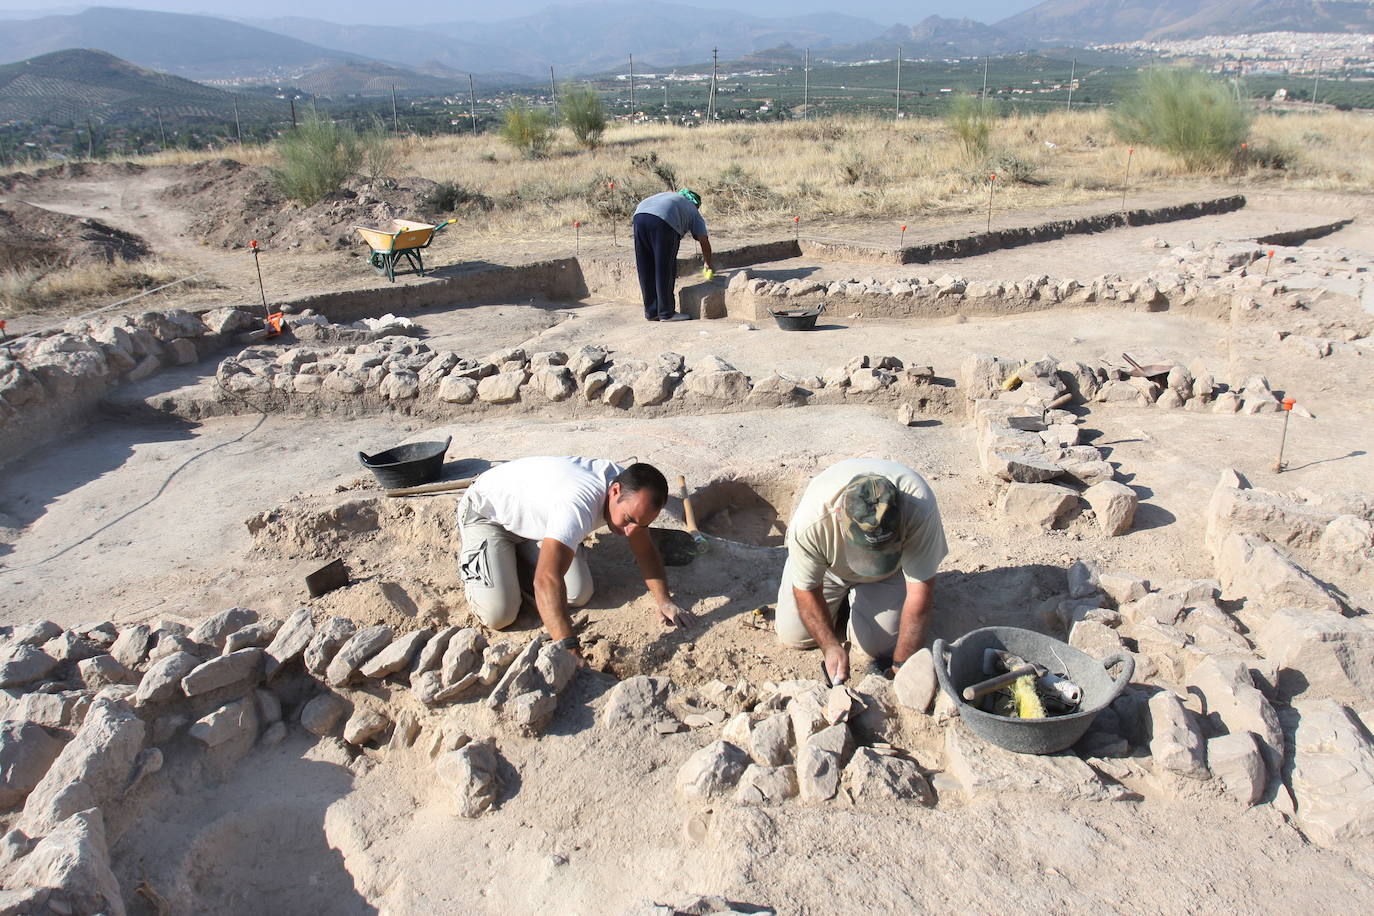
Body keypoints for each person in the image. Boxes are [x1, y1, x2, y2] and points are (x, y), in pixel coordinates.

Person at [457, 457, 694, 650]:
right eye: (629, 520)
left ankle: (512, 561)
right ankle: (489, 564)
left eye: (640, 525)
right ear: (614, 491)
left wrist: (665, 601)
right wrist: (569, 647)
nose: (630, 531)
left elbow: (645, 550)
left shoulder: (632, 492)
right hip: (488, 516)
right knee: (500, 614)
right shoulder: (578, 505)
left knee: (578, 593)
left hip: (538, 523)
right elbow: (546, 579)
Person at [775, 458, 948, 685]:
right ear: (839, 515)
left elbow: (920, 595)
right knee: (794, 635)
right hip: (829, 570)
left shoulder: (919, 508)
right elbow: (806, 590)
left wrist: (900, 666)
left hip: (887, 572)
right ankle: (841, 604)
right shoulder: (812, 521)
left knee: (879, 648)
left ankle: (858, 603)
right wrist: (829, 646)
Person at [632, 189, 716, 322]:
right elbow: (704, 241)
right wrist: (708, 264)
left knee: (646, 267)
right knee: (664, 267)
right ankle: (667, 313)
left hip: (639, 215)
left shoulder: (669, 197)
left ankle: (652, 312)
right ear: (696, 204)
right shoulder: (693, 210)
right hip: (663, 220)